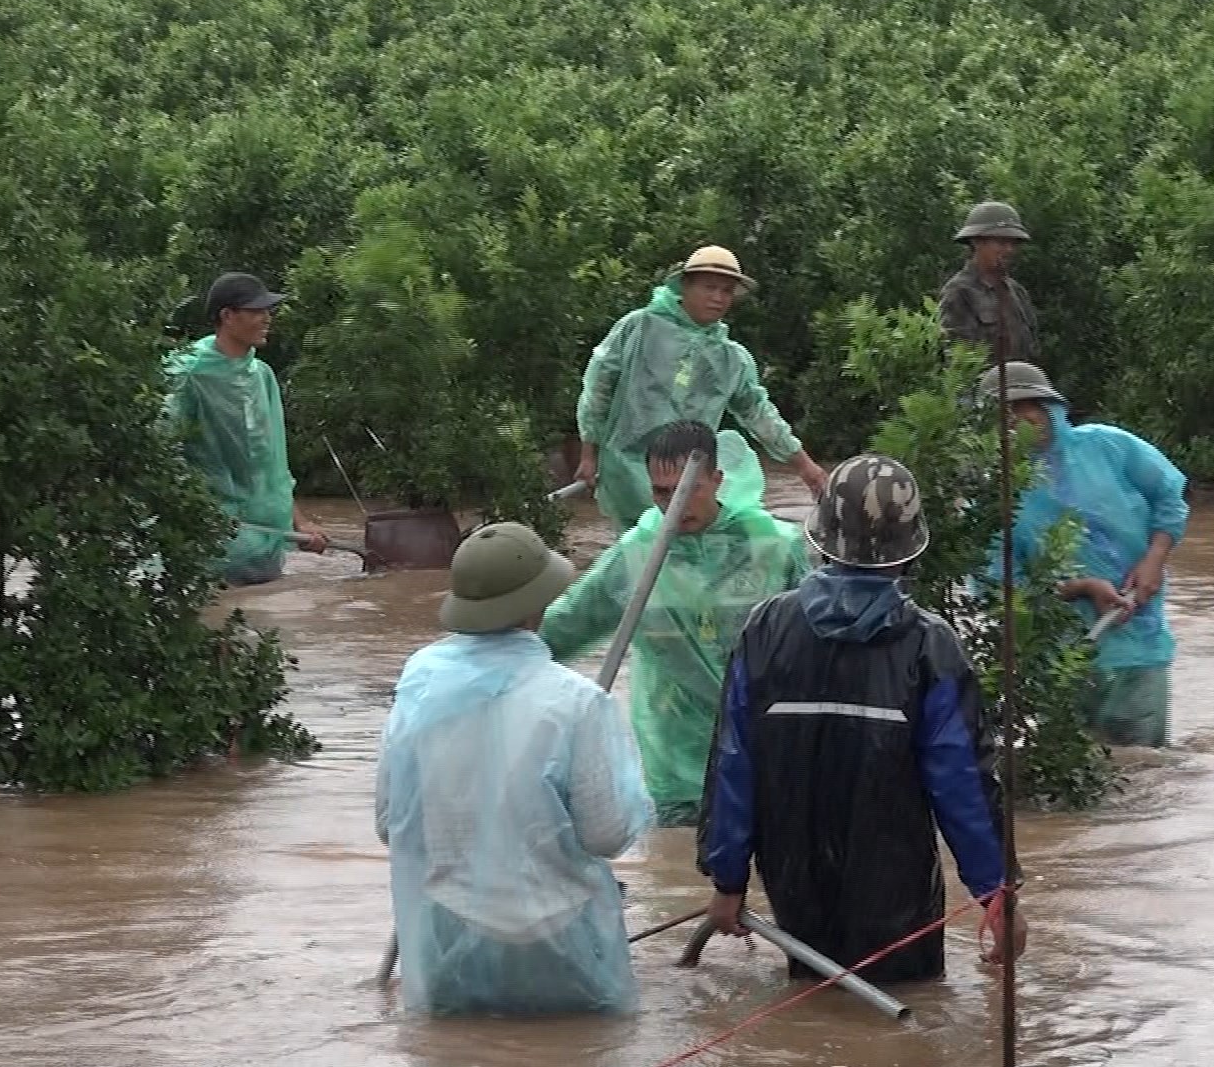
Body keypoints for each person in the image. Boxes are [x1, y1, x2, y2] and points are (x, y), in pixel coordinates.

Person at [697, 454, 1025, 982]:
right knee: (911, 1017)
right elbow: (961, 780)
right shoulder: (928, 644)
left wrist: (727, 882)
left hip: (793, 874)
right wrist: (996, 894)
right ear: (909, 550)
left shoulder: (765, 629)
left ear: (820, 537)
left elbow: (735, 764)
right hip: (895, 883)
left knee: (813, 1012)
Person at [375, 521, 654, 1017]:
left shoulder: (419, 686)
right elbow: (607, 835)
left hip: (448, 937)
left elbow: (388, 823)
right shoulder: (577, 702)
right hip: (559, 941)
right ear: (538, 605)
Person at [541, 420, 812, 828]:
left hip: (760, 746)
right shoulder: (638, 553)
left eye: (689, 489)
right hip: (674, 757)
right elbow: (568, 622)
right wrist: (488, 653)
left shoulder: (773, 545)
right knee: (679, 871)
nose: (675, 503)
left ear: (717, 480)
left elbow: (817, 643)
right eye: (661, 492)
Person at [979, 361, 1189, 748]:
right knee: (1083, 770)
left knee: (1145, 769)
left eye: (1030, 404)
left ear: (1049, 407)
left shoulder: (1108, 445)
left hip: (1138, 633)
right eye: (1005, 412)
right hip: (1060, 656)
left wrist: (1154, 560)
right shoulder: (991, 494)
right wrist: (1081, 587)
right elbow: (999, 587)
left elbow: (1169, 496)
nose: (1021, 418)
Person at [574, 245, 827, 530]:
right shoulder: (640, 328)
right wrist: (589, 452)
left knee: (701, 550)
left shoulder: (730, 358)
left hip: (693, 477)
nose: (718, 298)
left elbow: (759, 413)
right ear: (685, 286)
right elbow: (599, 385)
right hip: (628, 469)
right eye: (710, 288)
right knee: (642, 553)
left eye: (727, 291)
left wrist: (805, 465)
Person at [162, 272, 328, 586]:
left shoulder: (261, 375)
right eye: (257, 311)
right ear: (227, 316)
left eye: (268, 311)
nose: (267, 319)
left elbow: (272, 465)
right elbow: (162, 453)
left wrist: (301, 524)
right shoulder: (187, 373)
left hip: (267, 540)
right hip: (211, 539)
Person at [938, 200, 1039, 364]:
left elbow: (1032, 350)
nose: (1008, 250)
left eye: (1013, 243)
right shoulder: (959, 292)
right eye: (1000, 242)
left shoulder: (1016, 292)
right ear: (976, 242)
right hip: (984, 387)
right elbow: (958, 360)